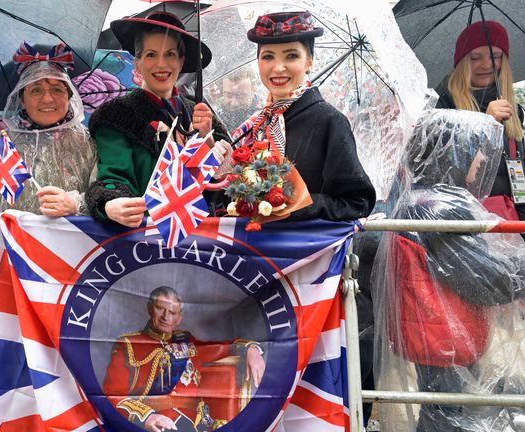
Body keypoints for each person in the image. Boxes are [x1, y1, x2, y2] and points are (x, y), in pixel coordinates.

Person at [372, 109, 525, 432]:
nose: (483, 158)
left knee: (441, 411)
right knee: (450, 416)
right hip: (445, 339)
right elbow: (489, 281)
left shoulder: (417, 200)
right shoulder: (439, 209)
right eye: (475, 147)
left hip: (431, 334)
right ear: (454, 152)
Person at [86, 11, 232, 227]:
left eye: (170, 54)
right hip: (144, 240)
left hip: (202, 241)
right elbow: (115, 178)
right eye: (151, 55)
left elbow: (226, 188)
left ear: (181, 61)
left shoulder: (201, 113)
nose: (161, 64)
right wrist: (111, 204)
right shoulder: (116, 116)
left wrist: (207, 140)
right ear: (137, 63)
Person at [239, 11, 375, 221]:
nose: (278, 67)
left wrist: (295, 204)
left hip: (306, 251)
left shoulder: (329, 121)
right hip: (254, 248)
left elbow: (357, 202)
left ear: (309, 61)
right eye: (268, 56)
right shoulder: (258, 123)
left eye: (291, 55)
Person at [103, 286, 265, 432]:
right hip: (157, 422)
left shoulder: (186, 341)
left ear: (179, 318)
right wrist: (147, 417)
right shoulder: (129, 344)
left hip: (196, 422)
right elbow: (112, 395)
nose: (166, 317)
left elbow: (219, 348)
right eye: (160, 308)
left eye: (172, 312)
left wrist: (250, 349)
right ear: (150, 308)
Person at [0, 41, 96, 218]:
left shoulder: (87, 143)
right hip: (13, 245)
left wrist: (75, 204)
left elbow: (103, 202)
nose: (47, 99)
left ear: (69, 96)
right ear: (22, 100)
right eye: (36, 90)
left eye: (56, 89)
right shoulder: (6, 146)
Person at [435, 20, 525, 222]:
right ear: (462, 62)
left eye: (496, 56)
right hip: (463, 224)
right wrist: (485, 124)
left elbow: (518, 173)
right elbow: (446, 174)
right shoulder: (442, 105)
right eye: (475, 57)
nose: (486, 65)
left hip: (509, 224)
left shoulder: (513, 110)